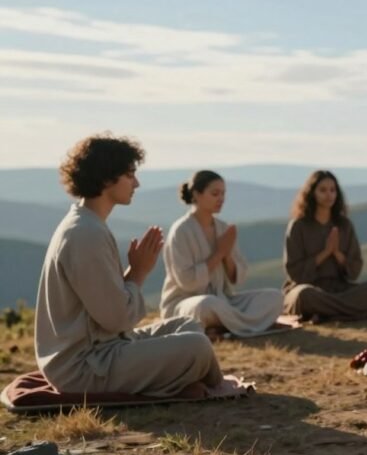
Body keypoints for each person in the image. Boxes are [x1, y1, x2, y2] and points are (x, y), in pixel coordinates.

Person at [34, 133, 223, 396]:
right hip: (85, 368)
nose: (137, 183)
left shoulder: (88, 224)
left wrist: (134, 272)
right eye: (130, 174)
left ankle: (195, 382)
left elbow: (106, 307)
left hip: (104, 350)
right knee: (197, 346)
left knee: (187, 325)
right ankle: (218, 386)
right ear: (106, 177)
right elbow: (117, 320)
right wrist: (139, 272)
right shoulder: (85, 234)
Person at [160, 170, 285, 338]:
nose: (221, 199)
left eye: (223, 194)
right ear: (196, 194)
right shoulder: (181, 231)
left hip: (223, 301)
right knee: (206, 305)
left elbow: (238, 278)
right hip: (186, 303)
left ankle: (224, 326)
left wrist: (227, 256)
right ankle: (246, 325)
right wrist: (218, 254)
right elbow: (187, 282)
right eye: (215, 193)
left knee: (274, 297)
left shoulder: (223, 229)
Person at [283, 170, 367, 321]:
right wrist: (325, 253)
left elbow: (354, 271)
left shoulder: (344, 225)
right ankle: (358, 313)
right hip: (307, 289)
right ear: (311, 193)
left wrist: (337, 253)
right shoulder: (298, 226)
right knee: (304, 295)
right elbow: (294, 273)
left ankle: (327, 314)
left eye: (333, 190)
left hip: (338, 289)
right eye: (323, 190)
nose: (329, 195)